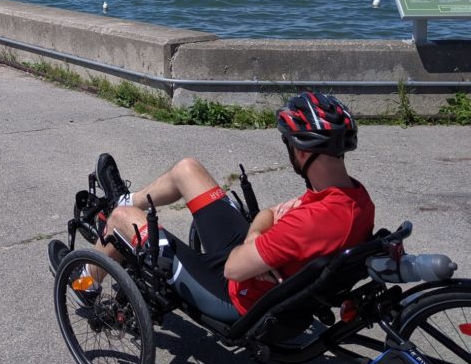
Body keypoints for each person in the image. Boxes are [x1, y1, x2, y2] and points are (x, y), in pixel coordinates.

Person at [50, 92, 375, 321]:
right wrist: (259, 235)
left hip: (232, 292)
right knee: (187, 169)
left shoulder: (308, 222)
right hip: (258, 262)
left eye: (288, 143)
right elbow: (269, 215)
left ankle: (85, 280)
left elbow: (235, 266)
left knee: (122, 221)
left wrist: (256, 238)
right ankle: (121, 198)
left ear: (302, 153)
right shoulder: (355, 200)